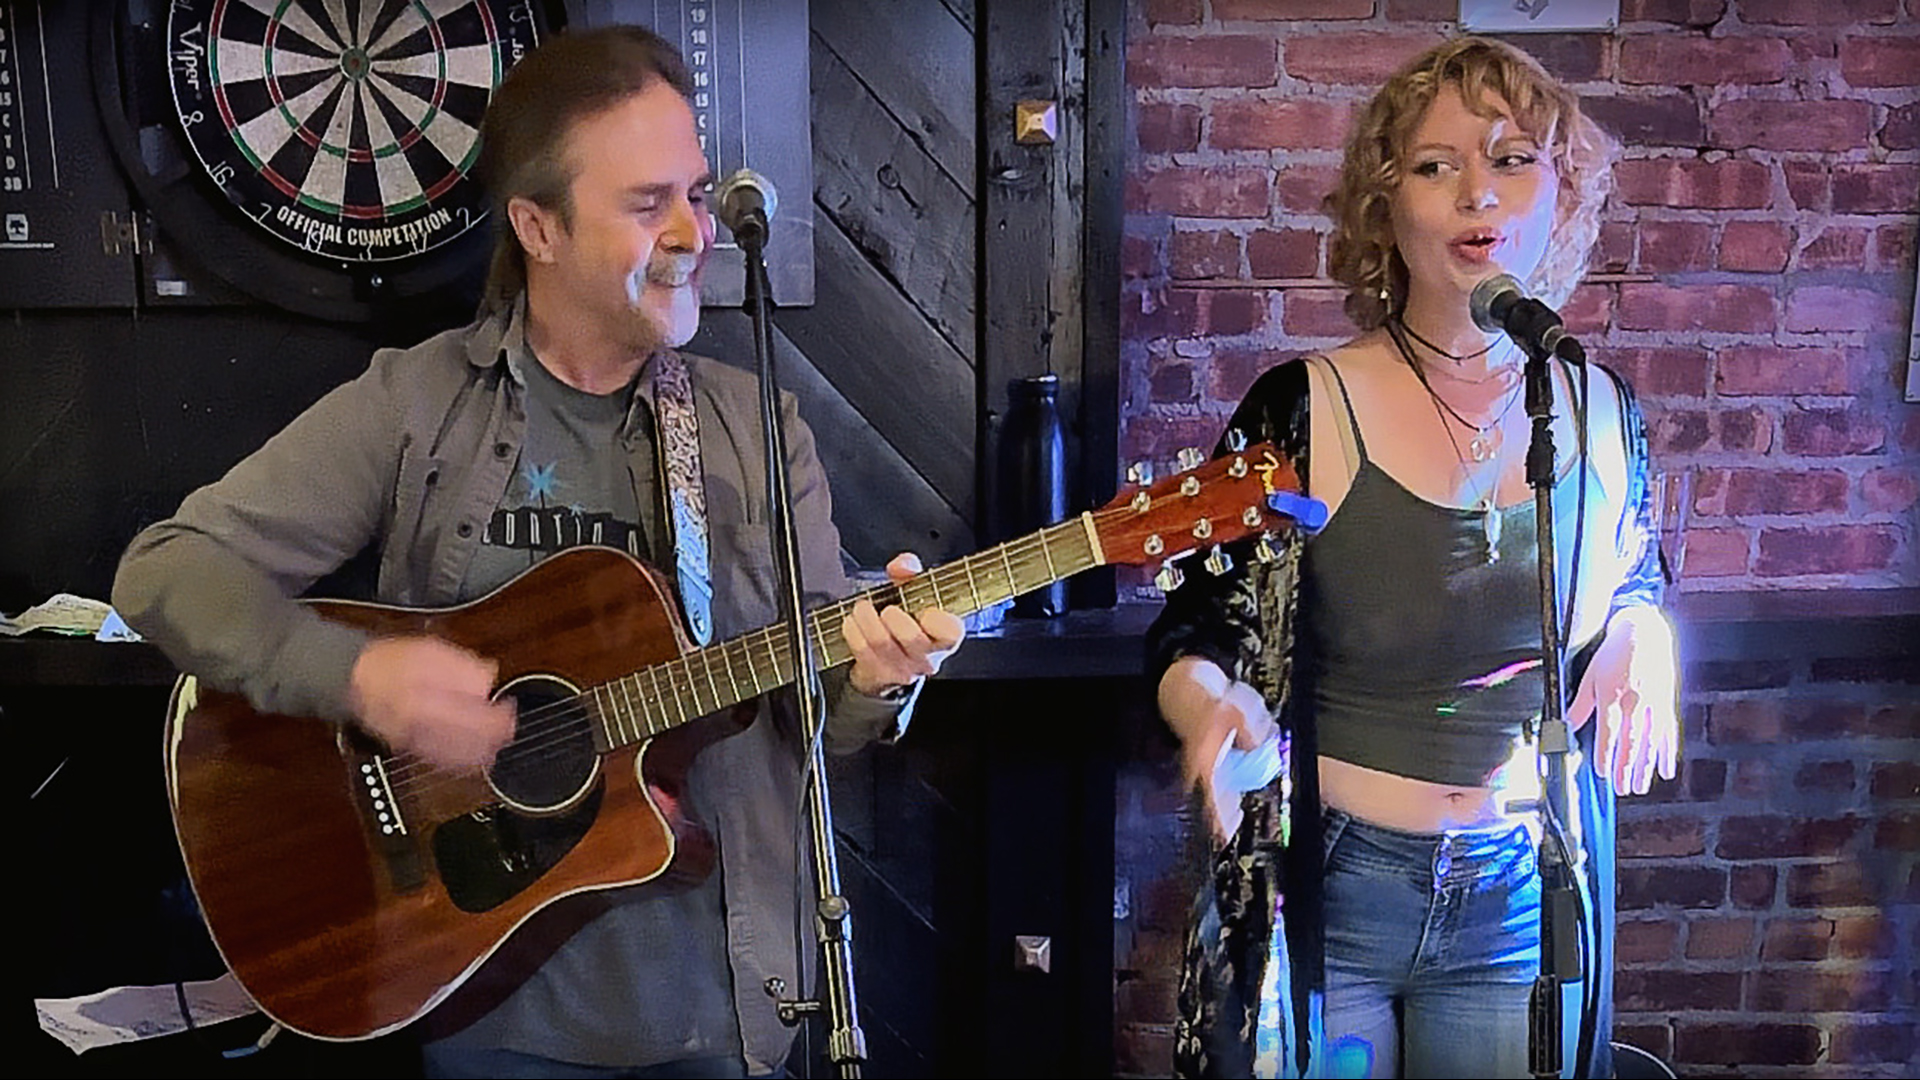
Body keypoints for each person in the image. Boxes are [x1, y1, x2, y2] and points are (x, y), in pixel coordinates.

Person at [113, 26, 964, 1080]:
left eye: (696, 195)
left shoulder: (759, 429)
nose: (693, 232)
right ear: (537, 227)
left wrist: (880, 681)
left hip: (723, 1007)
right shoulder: (420, 406)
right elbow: (164, 569)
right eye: (647, 205)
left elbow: (820, 720)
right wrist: (359, 675)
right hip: (486, 1004)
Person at [1146, 37, 1678, 1079]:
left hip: (1522, 894)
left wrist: (1642, 632)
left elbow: (1633, 580)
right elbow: (1196, 625)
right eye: (1437, 167)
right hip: (1333, 888)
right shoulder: (1301, 407)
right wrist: (1210, 709)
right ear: (1385, 207)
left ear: (1560, 190)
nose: (1479, 193)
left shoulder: (1603, 409)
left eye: (1513, 156)